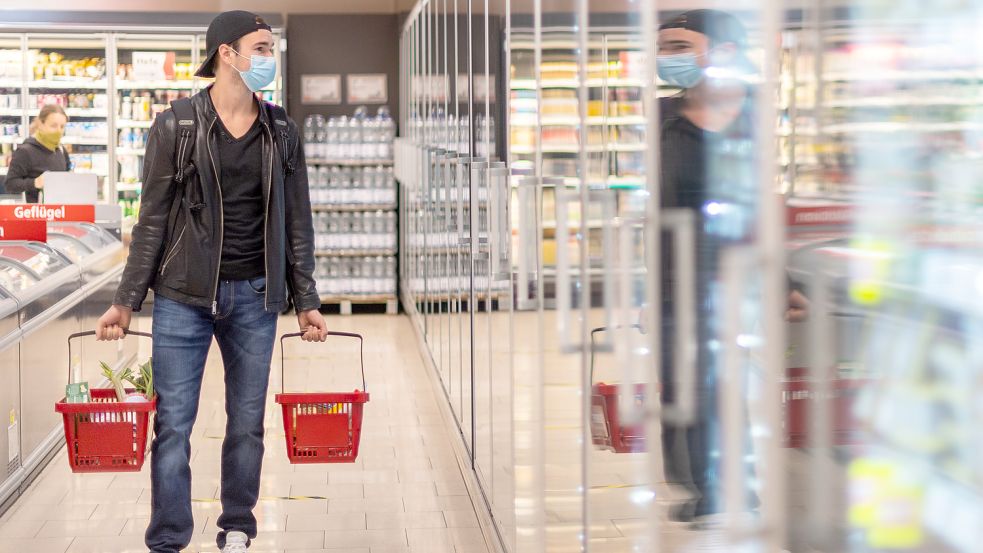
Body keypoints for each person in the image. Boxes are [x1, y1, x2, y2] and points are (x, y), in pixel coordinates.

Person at [95, 11, 327, 553]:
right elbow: (150, 219)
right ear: (227, 53)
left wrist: (308, 298)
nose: (269, 57)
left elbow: (298, 219)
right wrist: (126, 301)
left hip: (255, 295)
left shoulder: (282, 130)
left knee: (246, 423)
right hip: (183, 297)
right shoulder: (176, 124)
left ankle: (237, 527)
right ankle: (169, 538)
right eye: (261, 47)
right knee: (173, 425)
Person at [656, 8, 759, 525]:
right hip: (672, 277)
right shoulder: (660, 118)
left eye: (679, 47)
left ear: (722, 53)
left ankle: (732, 485)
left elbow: (763, 207)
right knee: (681, 384)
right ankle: (702, 484)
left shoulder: (752, 117)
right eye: (664, 48)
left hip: (733, 274)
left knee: (721, 383)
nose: (666, 58)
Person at [5, 104, 71, 202]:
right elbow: (10, 184)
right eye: (53, 126)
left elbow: (68, 173)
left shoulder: (61, 149)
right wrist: (35, 183)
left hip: (60, 212)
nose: (58, 131)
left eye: (62, 127)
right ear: (41, 124)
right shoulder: (25, 151)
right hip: (36, 214)